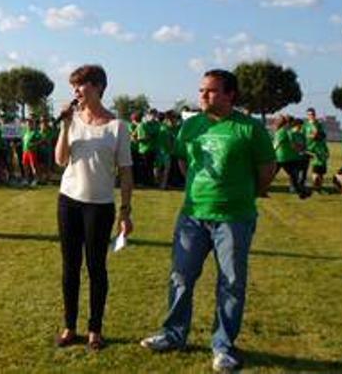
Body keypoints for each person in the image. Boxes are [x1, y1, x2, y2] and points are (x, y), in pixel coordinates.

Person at [140, 69, 277, 373]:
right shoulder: (192, 126)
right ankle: (174, 335)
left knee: (230, 283)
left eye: (211, 91)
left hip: (234, 218)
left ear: (230, 95)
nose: (203, 95)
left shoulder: (249, 128)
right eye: (202, 90)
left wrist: (248, 193)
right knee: (181, 277)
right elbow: (182, 159)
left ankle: (223, 346)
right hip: (192, 215)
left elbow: (267, 168)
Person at [54, 64, 134, 352]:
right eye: (74, 86)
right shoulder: (72, 120)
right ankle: (69, 326)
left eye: (81, 85)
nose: (76, 91)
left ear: (98, 87)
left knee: (96, 268)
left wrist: (126, 211)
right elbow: (60, 160)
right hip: (69, 202)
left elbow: (125, 172)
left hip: (100, 206)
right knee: (70, 267)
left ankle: (95, 329)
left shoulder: (117, 126)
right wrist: (64, 126)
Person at [272, 115, 310, 199]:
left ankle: (302, 193)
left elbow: (290, 145)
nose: (293, 124)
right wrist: (301, 150)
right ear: (288, 123)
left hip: (283, 158)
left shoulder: (283, 131)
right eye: (292, 123)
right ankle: (302, 193)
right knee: (293, 176)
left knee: (292, 176)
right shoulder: (284, 131)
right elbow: (277, 144)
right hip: (283, 158)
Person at [303, 108, 328, 193]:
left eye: (313, 114)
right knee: (304, 169)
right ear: (307, 116)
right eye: (309, 114)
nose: (311, 116)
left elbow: (321, 135)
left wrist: (315, 132)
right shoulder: (305, 125)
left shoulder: (319, 124)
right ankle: (304, 186)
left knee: (319, 171)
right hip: (307, 149)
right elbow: (309, 135)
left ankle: (318, 188)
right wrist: (312, 135)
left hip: (319, 150)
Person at [21, 118, 42, 187]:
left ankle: (35, 179)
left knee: (33, 166)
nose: (28, 124)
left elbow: (41, 140)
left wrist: (34, 144)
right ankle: (27, 180)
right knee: (25, 166)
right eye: (27, 123)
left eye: (30, 123)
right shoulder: (25, 132)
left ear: (32, 124)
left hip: (32, 151)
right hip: (25, 151)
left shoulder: (35, 132)